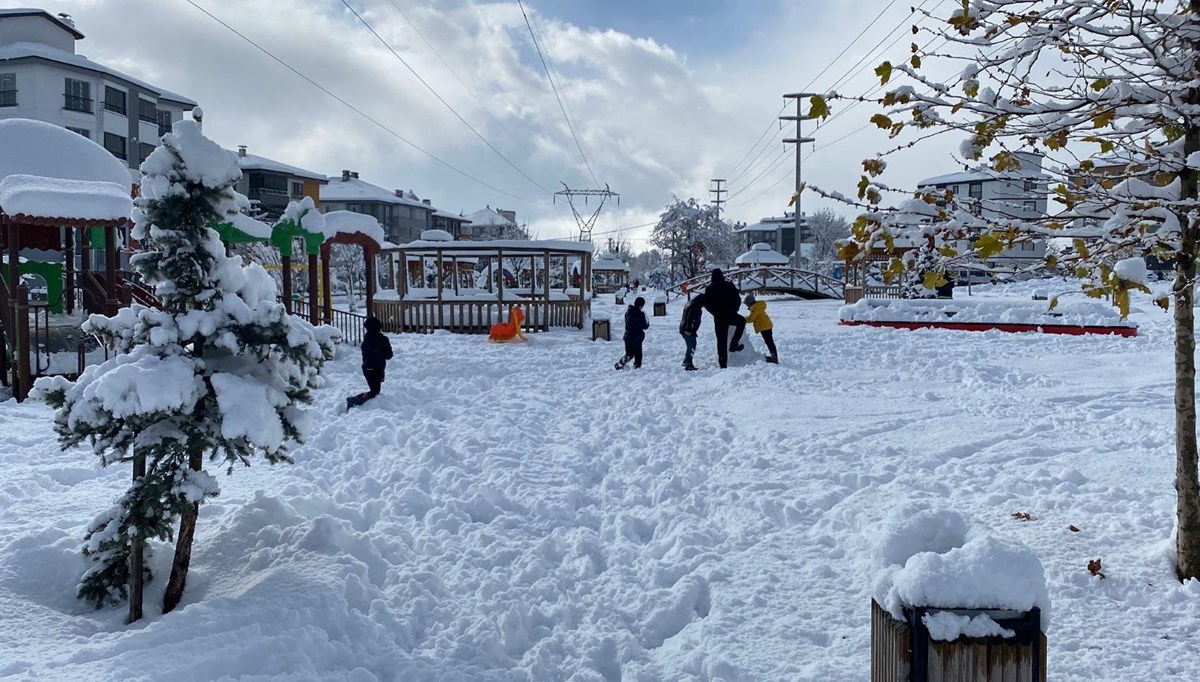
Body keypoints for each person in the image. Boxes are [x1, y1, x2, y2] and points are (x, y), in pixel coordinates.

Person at [703, 269, 746, 369]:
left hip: (719, 318)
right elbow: (737, 299)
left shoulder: (710, 288)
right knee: (742, 322)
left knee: (721, 341)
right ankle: (734, 344)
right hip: (730, 314)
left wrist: (715, 313)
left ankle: (723, 364)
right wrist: (735, 309)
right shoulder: (729, 285)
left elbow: (707, 304)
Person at [360, 316, 393, 398]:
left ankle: (360, 402)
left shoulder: (366, 340)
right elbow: (389, 355)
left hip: (366, 368)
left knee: (374, 391)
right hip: (377, 369)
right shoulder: (383, 339)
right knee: (375, 392)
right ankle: (355, 401)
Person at [615, 296, 650, 370]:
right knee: (638, 355)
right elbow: (645, 326)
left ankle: (622, 362)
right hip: (636, 337)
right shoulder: (640, 314)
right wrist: (647, 322)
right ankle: (636, 368)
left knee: (629, 354)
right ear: (641, 305)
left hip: (627, 336)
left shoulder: (628, 312)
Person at [743, 294, 778, 363]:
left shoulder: (755, 307)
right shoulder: (757, 306)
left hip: (764, 327)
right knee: (769, 342)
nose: (746, 305)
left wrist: (741, 319)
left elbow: (751, 319)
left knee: (769, 342)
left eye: (746, 304)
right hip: (766, 326)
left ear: (749, 302)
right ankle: (773, 356)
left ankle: (774, 358)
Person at [678, 293, 706, 371]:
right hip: (687, 329)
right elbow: (690, 318)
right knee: (692, 345)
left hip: (684, 328)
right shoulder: (694, 306)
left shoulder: (691, 303)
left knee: (690, 345)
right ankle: (688, 363)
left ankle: (686, 360)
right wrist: (689, 330)